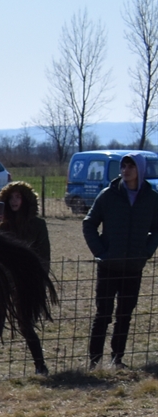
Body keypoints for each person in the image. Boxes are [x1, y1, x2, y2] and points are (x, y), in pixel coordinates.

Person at [83, 153, 158, 367]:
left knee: (124, 315)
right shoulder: (108, 195)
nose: (126, 170)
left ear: (140, 170)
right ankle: (95, 362)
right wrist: (100, 251)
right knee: (103, 315)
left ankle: (117, 359)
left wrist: (146, 252)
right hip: (108, 266)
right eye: (123, 166)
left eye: (131, 166)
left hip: (133, 266)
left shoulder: (152, 199)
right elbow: (89, 223)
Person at [0, 181, 50, 378]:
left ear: (26, 200)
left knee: (26, 324)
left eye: (18, 197)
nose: (14, 201)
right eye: (11, 197)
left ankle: (40, 367)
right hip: (1, 279)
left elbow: (44, 256)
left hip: (25, 281)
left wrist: (37, 281)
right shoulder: (0, 223)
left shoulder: (37, 225)